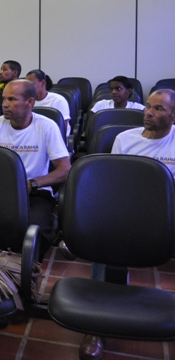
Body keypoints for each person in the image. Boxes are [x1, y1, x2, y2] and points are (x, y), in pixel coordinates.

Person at [78, 89, 175, 360]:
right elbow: (114, 184)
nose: (149, 113)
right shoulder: (124, 139)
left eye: (158, 109)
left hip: (168, 213)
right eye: (147, 107)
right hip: (128, 209)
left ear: (173, 115)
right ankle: (95, 325)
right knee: (105, 233)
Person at [0, 80, 70, 258]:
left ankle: (24, 269)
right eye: (4, 99)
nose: (4, 104)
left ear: (30, 102)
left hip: (36, 192)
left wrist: (32, 184)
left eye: (12, 99)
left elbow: (65, 169)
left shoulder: (46, 126)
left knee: (37, 228)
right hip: (0, 192)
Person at [26, 69, 71, 135]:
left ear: (43, 83)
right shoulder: (25, 100)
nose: (28, 88)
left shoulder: (58, 100)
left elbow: (63, 127)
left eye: (31, 84)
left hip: (54, 137)